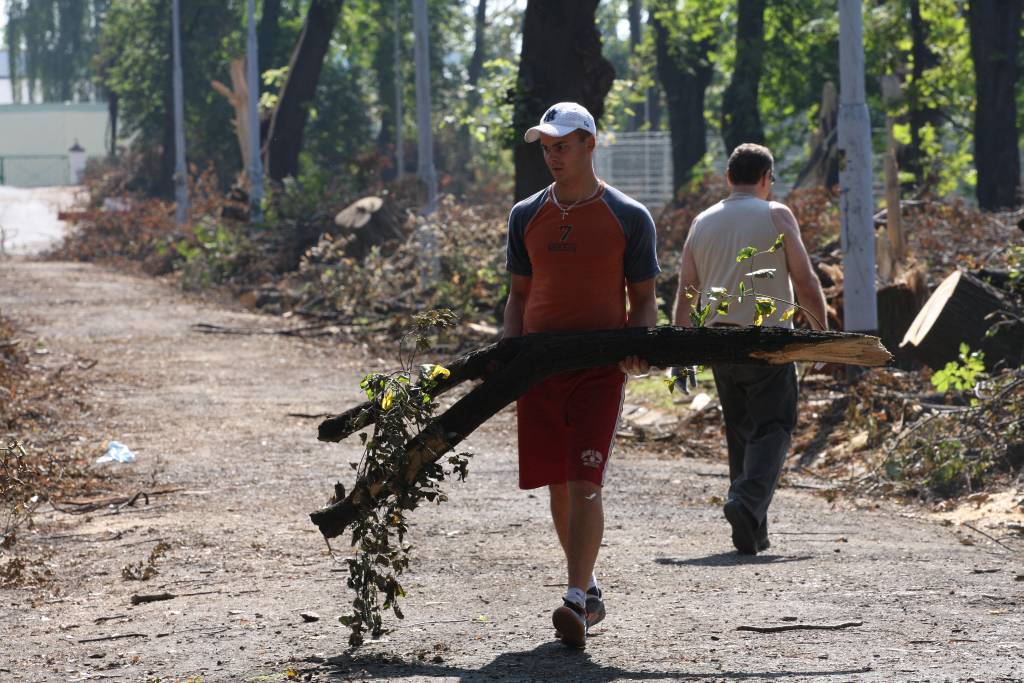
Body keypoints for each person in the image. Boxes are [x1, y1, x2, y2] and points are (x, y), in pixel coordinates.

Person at [503, 102, 660, 647]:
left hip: (598, 372)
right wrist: (509, 359)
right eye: (546, 147)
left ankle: (573, 597)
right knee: (558, 485)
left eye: (562, 145)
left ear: (590, 144)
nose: (552, 156)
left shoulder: (629, 216)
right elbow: (518, 296)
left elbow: (643, 300)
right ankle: (589, 587)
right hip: (540, 370)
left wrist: (637, 348)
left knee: (584, 481)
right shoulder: (526, 214)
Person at [672, 143, 828, 556]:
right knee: (774, 427)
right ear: (766, 179)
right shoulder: (776, 214)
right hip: (767, 342)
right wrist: (821, 334)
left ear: (728, 178)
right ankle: (745, 504)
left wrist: (680, 348)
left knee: (741, 433)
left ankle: (751, 530)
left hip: (719, 343)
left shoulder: (702, 222)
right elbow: (807, 282)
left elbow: (687, 291)